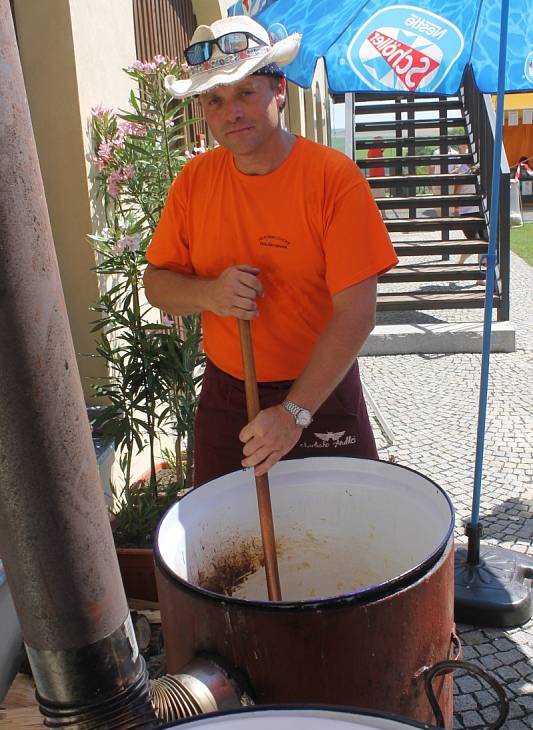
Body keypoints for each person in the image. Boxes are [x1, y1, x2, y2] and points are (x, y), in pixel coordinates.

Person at [144, 15, 397, 488]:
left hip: (320, 395)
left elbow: (357, 313)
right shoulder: (194, 183)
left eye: (245, 92)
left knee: (346, 535)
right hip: (227, 395)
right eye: (215, 100)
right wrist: (210, 295)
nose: (230, 112)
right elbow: (156, 282)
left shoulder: (333, 180)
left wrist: (293, 413)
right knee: (227, 543)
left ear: (279, 90)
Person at [451, 144, 488, 270]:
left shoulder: (479, 169)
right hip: (467, 211)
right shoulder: (463, 170)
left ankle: (477, 274)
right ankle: (464, 264)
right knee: (476, 243)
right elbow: (456, 190)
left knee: (480, 243)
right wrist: (456, 207)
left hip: (480, 210)